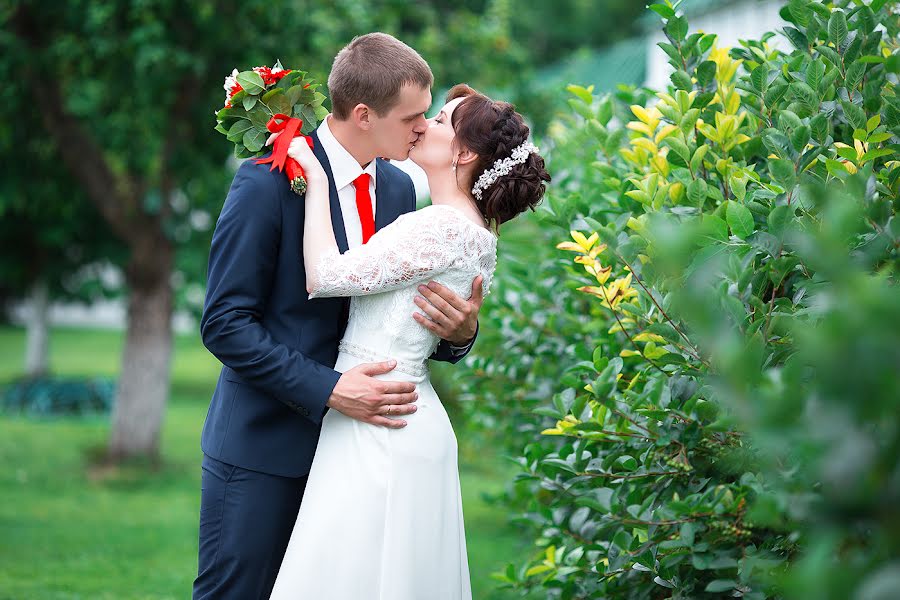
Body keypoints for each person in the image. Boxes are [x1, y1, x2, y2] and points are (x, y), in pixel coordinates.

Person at [194, 34, 485, 599]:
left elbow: (399, 310)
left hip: (360, 456)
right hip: (264, 450)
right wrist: (329, 389)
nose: (423, 129)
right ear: (363, 115)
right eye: (412, 117)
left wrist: (460, 334)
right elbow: (225, 322)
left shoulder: (401, 189)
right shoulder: (266, 181)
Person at [268, 81, 550, 599]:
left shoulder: (439, 227)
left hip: (379, 418)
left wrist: (313, 175)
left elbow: (325, 276)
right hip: (398, 412)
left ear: (463, 152)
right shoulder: (474, 232)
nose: (423, 126)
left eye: (440, 121)